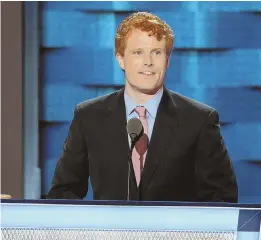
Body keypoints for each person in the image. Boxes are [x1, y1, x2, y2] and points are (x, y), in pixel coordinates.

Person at [47, 12, 238, 202]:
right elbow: (63, 193)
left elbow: (221, 199)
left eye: (156, 52)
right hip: (110, 232)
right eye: (138, 52)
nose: (148, 61)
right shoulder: (89, 117)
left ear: (168, 59)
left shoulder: (199, 120)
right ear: (120, 58)